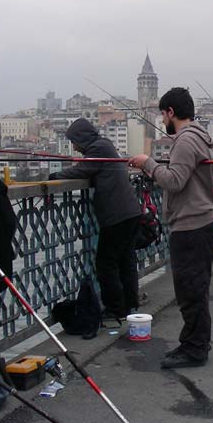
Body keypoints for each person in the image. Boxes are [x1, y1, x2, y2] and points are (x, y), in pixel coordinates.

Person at [128, 87, 213, 369]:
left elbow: (175, 180)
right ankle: (197, 341)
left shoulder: (185, 141)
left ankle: (194, 349)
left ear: (170, 112)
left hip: (191, 225)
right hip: (201, 221)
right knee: (196, 288)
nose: (162, 121)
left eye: (162, 114)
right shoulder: (200, 137)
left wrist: (148, 164)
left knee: (190, 289)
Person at [49, 118, 140, 321]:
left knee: (106, 263)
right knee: (126, 260)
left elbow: (83, 169)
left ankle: (115, 309)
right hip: (130, 212)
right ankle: (130, 305)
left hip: (117, 215)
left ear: (82, 138)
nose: (74, 146)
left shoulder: (98, 148)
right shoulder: (104, 146)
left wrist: (56, 174)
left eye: (74, 141)